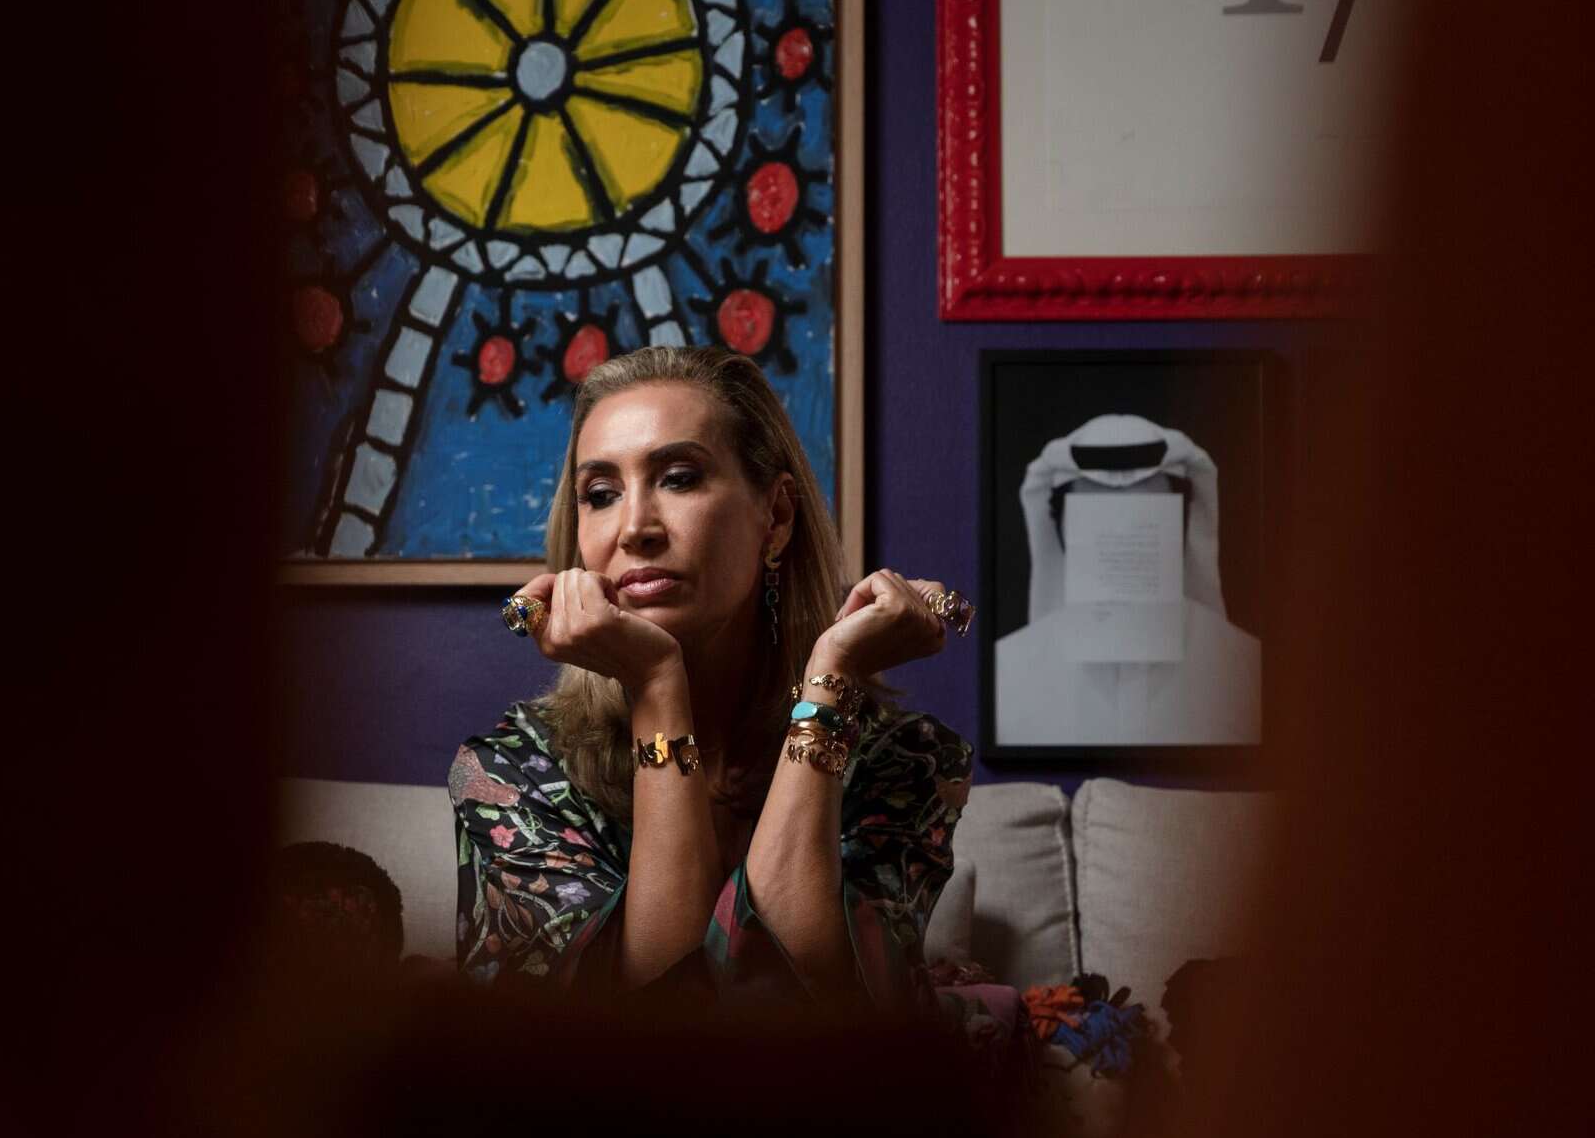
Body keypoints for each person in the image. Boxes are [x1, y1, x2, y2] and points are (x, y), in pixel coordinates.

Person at [447, 345, 979, 1024]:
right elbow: (652, 1023)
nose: (634, 528)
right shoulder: (510, 773)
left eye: (678, 479)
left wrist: (831, 682)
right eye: (601, 495)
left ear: (776, 518)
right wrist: (656, 685)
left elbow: (808, 998)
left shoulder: (905, 762)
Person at [993, 414, 1261, 746]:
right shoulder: (1008, 669)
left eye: (1142, 513)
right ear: (1064, 526)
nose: (1120, 530)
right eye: (1099, 514)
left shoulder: (1246, 667)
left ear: (1179, 521)